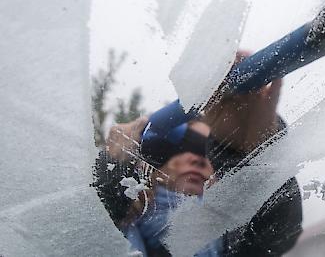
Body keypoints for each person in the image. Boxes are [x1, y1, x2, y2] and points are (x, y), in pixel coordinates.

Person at [93, 53, 303, 257]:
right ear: (153, 171)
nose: (200, 159)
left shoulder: (233, 234)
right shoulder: (115, 231)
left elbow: (278, 234)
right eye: (184, 150)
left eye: (215, 156)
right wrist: (110, 173)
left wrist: (256, 155)